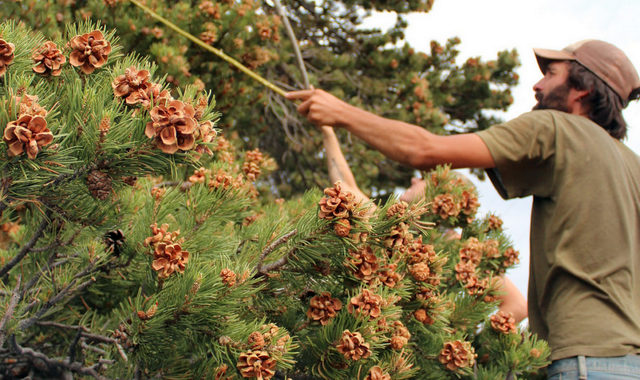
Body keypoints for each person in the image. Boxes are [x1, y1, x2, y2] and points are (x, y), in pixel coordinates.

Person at [287, 39, 640, 378]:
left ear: (583, 90)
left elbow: (424, 150)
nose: (537, 84)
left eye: (552, 74)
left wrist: (340, 112)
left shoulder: (558, 127)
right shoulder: (633, 167)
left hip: (585, 360)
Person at [321, 124, 529, 323]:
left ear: (442, 196)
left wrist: (465, 335)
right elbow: (345, 185)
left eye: (422, 179)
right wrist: (327, 130)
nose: (413, 181)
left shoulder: (463, 253)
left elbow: (517, 306)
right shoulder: (390, 230)